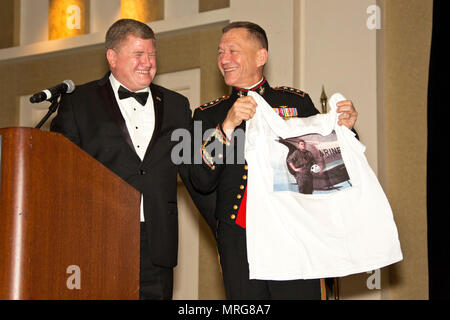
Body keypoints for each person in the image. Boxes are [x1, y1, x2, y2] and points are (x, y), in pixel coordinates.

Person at [190, 21, 358, 299]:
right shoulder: (208, 114)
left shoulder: (297, 102)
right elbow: (200, 179)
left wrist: (347, 128)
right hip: (239, 238)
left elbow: (332, 164)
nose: (224, 60)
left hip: (293, 231)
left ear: (261, 57)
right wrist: (227, 126)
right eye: (220, 52)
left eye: (233, 51)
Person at [50, 19, 211, 300]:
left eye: (151, 54)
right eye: (138, 54)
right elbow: (61, 174)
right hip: (98, 240)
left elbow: (196, 173)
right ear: (112, 57)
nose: (147, 63)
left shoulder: (176, 105)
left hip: (157, 241)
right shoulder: (78, 102)